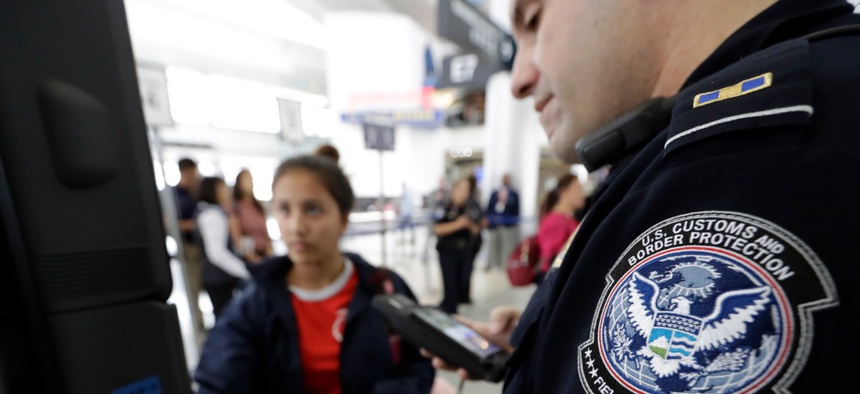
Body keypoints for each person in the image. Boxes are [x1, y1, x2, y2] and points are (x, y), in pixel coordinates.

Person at [428, 0, 860, 392]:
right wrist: (547, 337)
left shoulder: (749, 147)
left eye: (535, 22)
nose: (518, 80)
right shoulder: (671, 146)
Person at [194, 155, 434, 393]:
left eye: (313, 209)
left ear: (343, 218)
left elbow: (420, 364)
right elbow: (217, 383)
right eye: (284, 209)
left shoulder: (383, 288)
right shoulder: (255, 306)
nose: (296, 227)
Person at [195, 176, 251, 321]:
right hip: (218, 278)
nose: (227, 192)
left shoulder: (213, 212)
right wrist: (244, 270)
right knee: (226, 320)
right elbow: (216, 253)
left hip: (220, 277)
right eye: (223, 188)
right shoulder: (212, 215)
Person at [432, 177, 482, 314]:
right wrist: (458, 224)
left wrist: (470, 225)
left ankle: (452, 306)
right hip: (447, 250)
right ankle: (449, 311)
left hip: (466, 250)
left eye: (467, 190)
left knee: (463, 283)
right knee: (450, 286)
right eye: (462, 190)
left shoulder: (471, 207)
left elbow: (478, 227)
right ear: (454, 190)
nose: (465, 193)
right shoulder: (444, 205)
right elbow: (437, 229)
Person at [172, 157, 205, 335]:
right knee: (193, 286)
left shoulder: (194, 193)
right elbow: (169, 222)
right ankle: (198, 323)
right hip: (188, 246)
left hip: (201, 246)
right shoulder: (174, 195)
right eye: (191, 172)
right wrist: (196, 224)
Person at [534, 174, 585, 283]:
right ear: (564, 191)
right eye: (578, 188)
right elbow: (551, 259)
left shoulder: (567, 219)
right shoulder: (556, 221)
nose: (582, 194)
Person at [230, 169, 273, 262]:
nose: (250, 183)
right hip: (248, 258)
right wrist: (254, 259)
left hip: (265, 254)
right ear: (239, 184)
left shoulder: (258, 207)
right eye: (246, 180)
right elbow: (237, 240)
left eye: (251, 179)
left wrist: (269, 254)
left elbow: (266, 234)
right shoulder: (235, 209)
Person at [483, 173, 521, 271]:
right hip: (494, 225)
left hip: (508, 225)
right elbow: (489, 208)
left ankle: (505, 265)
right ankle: (491, 263)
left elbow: (516, 210)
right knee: (492, 245)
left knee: (507, 246)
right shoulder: (495, 193)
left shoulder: (514, 194)